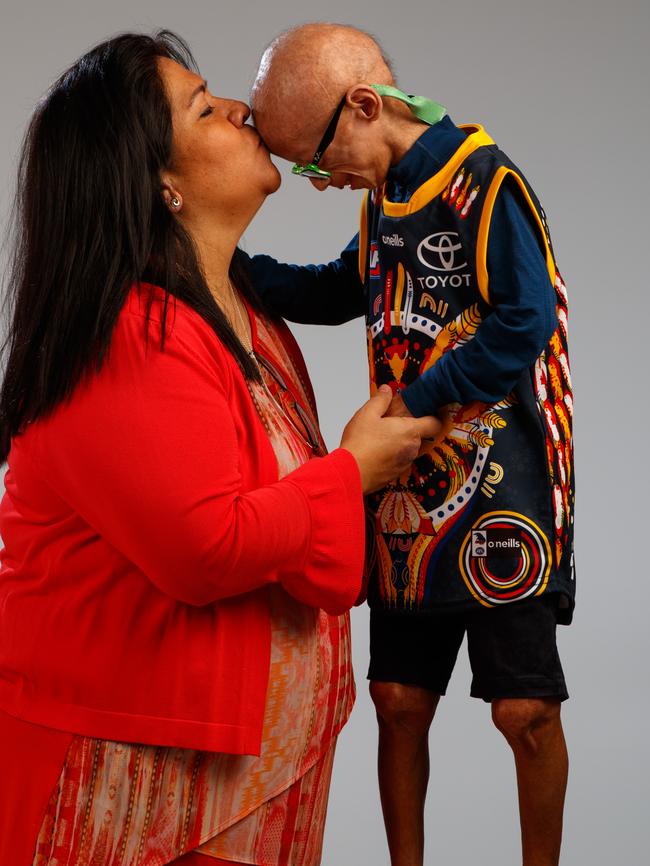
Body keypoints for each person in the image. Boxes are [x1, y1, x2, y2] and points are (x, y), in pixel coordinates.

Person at [0, 29, 440, 866]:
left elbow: (314, 561)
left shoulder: (249, 317)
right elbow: (205, 548)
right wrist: (352, 471)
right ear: (158, 181)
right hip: (127, 796)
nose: (243, 109)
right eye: (205, 108)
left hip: (247, 792)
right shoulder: (128, 333)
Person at [247, 23, 576, 866]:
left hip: (503, 489)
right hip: (405, 497)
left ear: (364, 105)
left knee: (523, 711)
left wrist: (418, 405)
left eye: (317, 163)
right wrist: (231, 268)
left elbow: (523, 323)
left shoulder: (484, 179)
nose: (319, 185)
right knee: (397, 698)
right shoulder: (383, 194)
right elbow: (338, 288)